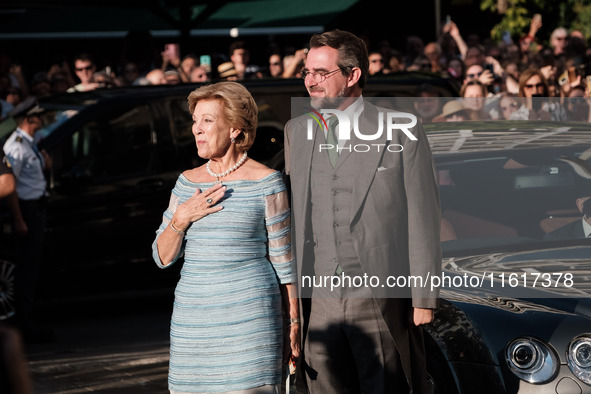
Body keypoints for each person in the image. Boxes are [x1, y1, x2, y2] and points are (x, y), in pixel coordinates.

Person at [284, 29, 441, 393]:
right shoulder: (296, 131)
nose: (311, 82)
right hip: (318, 295)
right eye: (307, 72)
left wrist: (423, 298)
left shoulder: (402, 130)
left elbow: (423, 217)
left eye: (321, 73)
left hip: (379, 294)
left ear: (353, 75)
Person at [152, 81, 300, 393]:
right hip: (192, 324)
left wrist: (294, 324)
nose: (197, 129)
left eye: (207, 120)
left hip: (250, 323)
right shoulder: (186, 183)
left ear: (234, 128)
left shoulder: (267, 182)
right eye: (195, 120)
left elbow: (285, 264)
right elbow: (162, 257)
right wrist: (180, 219)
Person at [3, 108, 52, 343]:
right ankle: (25, 325)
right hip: (27, 210)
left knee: (33, 269)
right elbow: (10, 185)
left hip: (37, 208)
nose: (43, 118)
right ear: (28, 118)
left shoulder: (31, 143)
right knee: (26, 270)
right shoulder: (17, 145)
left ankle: (30, 321)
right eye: (38, 114)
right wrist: (19, 218)